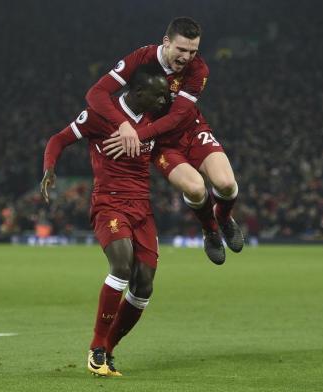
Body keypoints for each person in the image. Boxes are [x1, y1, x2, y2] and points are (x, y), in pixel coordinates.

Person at [41, 64, 170, 377]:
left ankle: (108, 349)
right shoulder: (100, 114)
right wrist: (49, 168)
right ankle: (97, 347)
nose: (164, 100)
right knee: (122, 265)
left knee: (144, 286)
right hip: (109, 203)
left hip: (143, 208)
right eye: (158, 95)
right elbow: (58, 139)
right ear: (139, 93)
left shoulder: (157, 118)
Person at [86, 17, 244, 265]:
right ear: (166, 42)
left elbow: (176, 118)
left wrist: (136, 135)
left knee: (225, 183)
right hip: (160, 143)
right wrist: (124, 124)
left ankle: (223, 217)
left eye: (193, 51)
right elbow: (95, 93)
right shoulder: (140, 59)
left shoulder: (198, 69)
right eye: (181, 49)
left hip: (191, 131)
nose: (186, 57)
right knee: (194, 188)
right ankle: (210, 230)